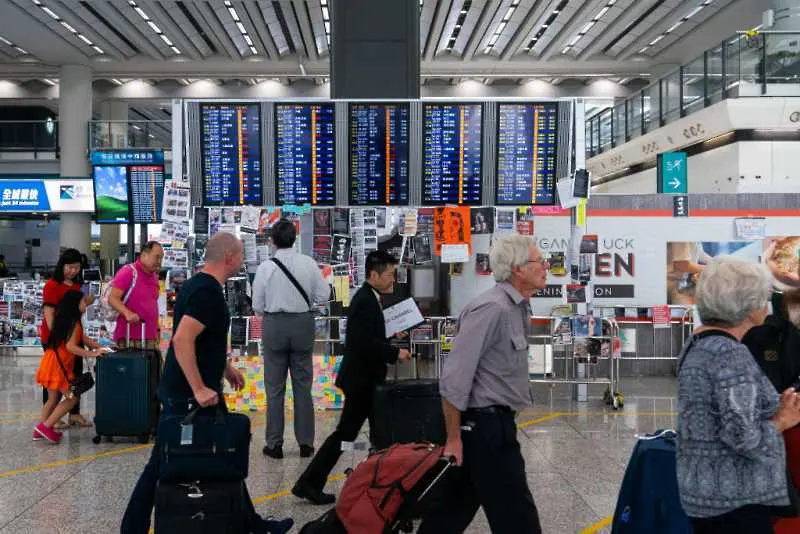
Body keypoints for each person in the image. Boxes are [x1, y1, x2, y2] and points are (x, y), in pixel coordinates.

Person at [121, 233, 293, 534]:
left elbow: (201, 338)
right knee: (161, 464)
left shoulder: (198, 284)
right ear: (229, 257)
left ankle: (251, 524)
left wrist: (224, 368)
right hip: (189, 394)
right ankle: (131, 528)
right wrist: (199, 388)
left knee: (225, 455)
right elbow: (183, 339)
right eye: (240, 255)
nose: (243, 260)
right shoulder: (207, 292)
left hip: (195, 389)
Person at [416, 233, 546, 534]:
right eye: (539, 261)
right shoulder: (492, 309)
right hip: (484, 429)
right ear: (517, 268)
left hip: (495, 423)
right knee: (518, 517)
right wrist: (453, 439)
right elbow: (454, 378)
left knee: (451, 511)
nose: (545, 267)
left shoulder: (518, 306)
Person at [676, 257, 800, 534]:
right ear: (748, 306)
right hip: (735, 500)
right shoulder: (730, 354)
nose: (767, 304)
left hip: (704, 489)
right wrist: (784, 418)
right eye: (764, 297)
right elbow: (746, 441)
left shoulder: (699, 342)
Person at [292, 250, 412, 505]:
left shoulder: (369, 298)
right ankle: (310, 482)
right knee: (347, 434)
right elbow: (362, 342)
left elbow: (368, 337)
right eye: (390, 275)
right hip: (362, 381)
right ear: (373, 274)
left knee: (373, 432)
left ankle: (380, 483)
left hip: (364, 379)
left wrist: (391, 339)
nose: (393, 280)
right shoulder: (366, 301)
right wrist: (394, 352)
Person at [251, 220, 331, 460]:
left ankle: (274, 445)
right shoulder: (309, 264)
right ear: (295, 238)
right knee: (303, 387)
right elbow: (323, 296)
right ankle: (306, 444)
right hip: (302, 325)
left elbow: (257, 306)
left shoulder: (266, 268)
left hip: (274, 326)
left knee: (274, 389)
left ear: (273, 241)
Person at [34, 290, 106, 444]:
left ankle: (39, 430)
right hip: (59, 366)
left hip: (51, 361)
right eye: (83, 302)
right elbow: (71, 346)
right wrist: (93, 354)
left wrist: (101, 347)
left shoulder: (66, 320)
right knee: (73, 399)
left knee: (53, 399)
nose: (86, 305)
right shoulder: (74, 323)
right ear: (75, 305)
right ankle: (46, 427)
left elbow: (83, 339)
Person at [40, 248, 93, 429]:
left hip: (72, 337)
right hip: (55, 340)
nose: (73, 271)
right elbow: (49, 316)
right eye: (70, 267)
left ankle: (74, 414)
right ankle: (52, 419)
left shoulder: (76, 286)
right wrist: (62, 339)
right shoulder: (52, 286)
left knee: (75, 376)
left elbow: (76, 309)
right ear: (62, 265)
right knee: (55, 379)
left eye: (77, 268)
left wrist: (88, 301)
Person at [108, 241, 163, 350]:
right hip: (130, 338)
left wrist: (157, 329)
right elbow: (112, 298)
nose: (159, 262)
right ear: (144, 255)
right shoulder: (128, 272)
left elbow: (152, 304)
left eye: (161, 258)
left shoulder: (154, 277)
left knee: (152, 366)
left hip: (150, 337)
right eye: (157, 257)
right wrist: (127, 313)